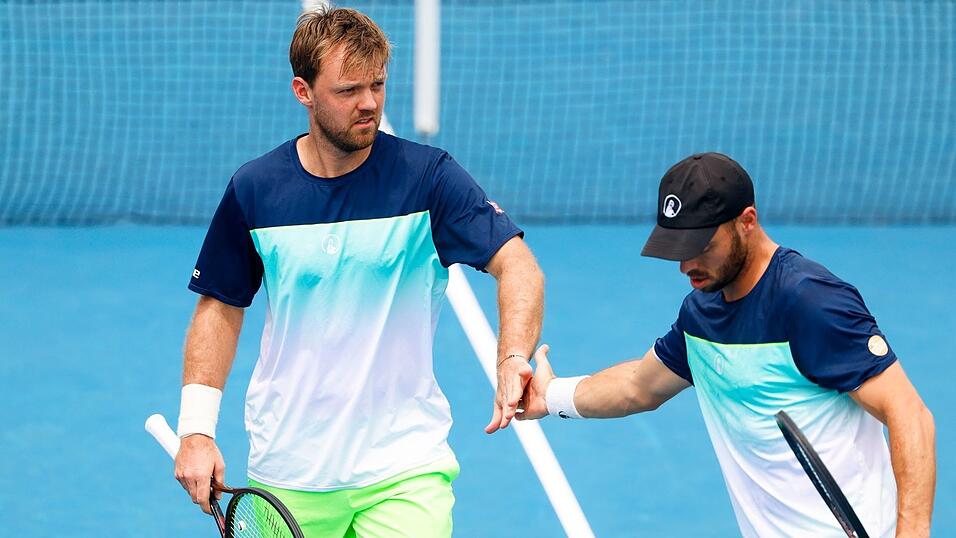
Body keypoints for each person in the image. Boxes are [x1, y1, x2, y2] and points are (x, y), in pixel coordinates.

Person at [173, 7, 541, 537]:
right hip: (290, 470)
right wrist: (196, 430)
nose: (369, 103)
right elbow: (220, 306)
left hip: (404, 465)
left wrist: (512, 356)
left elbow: (518, 264)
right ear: (303, 91)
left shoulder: (428, 179)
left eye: (377, 85)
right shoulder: (256, 189)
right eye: (348, 90)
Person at [515, 152, 936, 537]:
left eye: (701, 247)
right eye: (677, 249)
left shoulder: (810, 302)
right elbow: (638, 387)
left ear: (747, 221)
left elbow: (909, 414)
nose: (686, 266)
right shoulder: (702, 313)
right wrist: (552, 396)